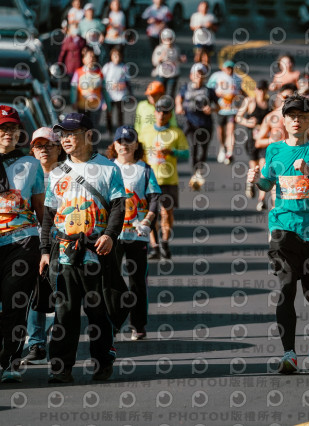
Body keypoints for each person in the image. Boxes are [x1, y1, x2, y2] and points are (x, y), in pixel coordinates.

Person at [246, 94, 309, 374]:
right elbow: (268, 183)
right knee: (286, 288)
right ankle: (289, 354)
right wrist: (257, 181)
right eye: (291, 116)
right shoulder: (274, 150)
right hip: (283, 228)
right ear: (284, 121)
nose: (296, 120)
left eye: (302, 116)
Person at [41, 113, 126, 383]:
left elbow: (118, 207)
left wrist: (110, 235)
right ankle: (60, 369)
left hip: (96, 252)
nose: (65, 139)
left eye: (71, 134)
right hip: (64, 252)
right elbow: (48, 215)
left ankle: (103, 362)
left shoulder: (108, 168)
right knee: (64, 312)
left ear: (88, 135)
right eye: (62, 135)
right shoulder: (56, 172)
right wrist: (45, 251)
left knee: (98, 311)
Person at [0, 106, 45, 382]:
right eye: (3, 128)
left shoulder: (31, 165)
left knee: (15, 304)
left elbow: (41, 210)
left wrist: (47, 248)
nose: (8, 133)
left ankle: (10, 363)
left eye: (13, 128)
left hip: (23, 241)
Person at [106, 126, 160, 341]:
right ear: (114, 144)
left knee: (137, 281)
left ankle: (138, 325)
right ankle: (112, 322)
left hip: (137, 234)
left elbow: (154, 198)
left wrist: (147, 221)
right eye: (120, 141)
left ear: (137, 144)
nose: (124, 145)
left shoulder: (144, 169)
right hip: (113, 235)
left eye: (129, 141)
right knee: (111, 279)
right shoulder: (107, 168)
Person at [21, 128, 66, 366]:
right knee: (34, 294)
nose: (44, 150)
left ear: (59, 148)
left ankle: (61, 344)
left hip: (64, 243)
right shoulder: (24, 175)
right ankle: (37, 344)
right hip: (33, 242)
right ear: (32, 150)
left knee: (63, 294)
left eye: (49, 145)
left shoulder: (69, 173)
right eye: (39, 146)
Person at [137, 97, 189, 260]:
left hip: (169, 180)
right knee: (151, 214)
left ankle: (165, 241)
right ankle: (155, 246)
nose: (161, 114)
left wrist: (172, 152)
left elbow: (186, 153)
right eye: (159, 111)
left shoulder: (176, 133)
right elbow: (137, 152)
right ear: (155, 112)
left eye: (165, 112)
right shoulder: (145, 132)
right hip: (149, 180)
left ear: (170, 115)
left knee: (167, 213)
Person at [253, 83, 296, 211]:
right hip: (277, 158)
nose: (288, 99)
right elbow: (258, 142)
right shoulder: (271, 117)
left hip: (294, 159)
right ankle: (275, 219)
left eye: (291, 97)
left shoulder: (299, 119)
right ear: (279, 96)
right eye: (285, 96)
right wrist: (272, 140)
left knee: (293, 194)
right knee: (276, 191)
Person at [175, 63, 218, 191]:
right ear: (191, 76)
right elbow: (179, 98)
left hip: (205, 125)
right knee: (193, 149)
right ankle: (195, 174)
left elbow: (219, 105)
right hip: (190, 123)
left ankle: (199, 170)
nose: (199, 78)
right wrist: (179, 106)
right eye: (196, 75)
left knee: (203, 151)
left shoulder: (208, 91)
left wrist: (211, 109)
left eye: (201, 75)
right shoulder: (185, 88)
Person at [235, 79, 270, 200]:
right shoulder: (249, 101)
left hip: (264, 140)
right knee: (253, 165)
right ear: (255, 90)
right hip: (252, 139)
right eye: (259, 89)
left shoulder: (269, 104)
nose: (261, 92)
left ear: (266, 90)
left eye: (263, 89)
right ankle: (250, 183)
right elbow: (238, 117)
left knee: (263, 165)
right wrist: (248, 122)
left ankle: (262, 198)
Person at [206, 60, 245, 165]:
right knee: (221, 131)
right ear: (223, 68)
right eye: (227, 68)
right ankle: (223, 147)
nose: (229, 70)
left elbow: (240, 91)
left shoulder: (238, 78)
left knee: (231, 130)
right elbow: (208, 89)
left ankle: (229, 153)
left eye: (231, 68)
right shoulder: (216, 76)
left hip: (232, 109)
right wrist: (216, 95)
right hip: (220, 108)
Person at [71, 47, 107, 131]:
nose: (91, 59)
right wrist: (73, 101)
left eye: (93, 57)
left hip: (96, 106)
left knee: (93, 128)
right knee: (83, 128)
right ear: (83, 60)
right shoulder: (78, 72)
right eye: (89, 57)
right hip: (82, 105)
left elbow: (104, 89)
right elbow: (73, 88)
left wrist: (105, 102)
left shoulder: (100, 73)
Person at [103, 46, 131, 137]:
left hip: (120, 95)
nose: (117, 58)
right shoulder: (107, 67)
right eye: (114, 56)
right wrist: (111, 86)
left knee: (120, 114)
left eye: (118, 56)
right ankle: (109, 130)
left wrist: (129, 92)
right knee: (109, 113)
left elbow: (127, 81)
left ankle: (120, 131)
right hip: (109, 95)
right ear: (111, 56)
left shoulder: (124, 67)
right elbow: (102, 81)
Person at [151, 28, 186, 98]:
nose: (168, 41)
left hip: (173, 75)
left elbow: (178, 59)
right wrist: (161, 57)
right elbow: (154, 62)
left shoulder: (176, 49)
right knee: (160, 93)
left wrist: (181, 59)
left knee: (170, 94)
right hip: (161, 75)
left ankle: (170, 104)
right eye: (166, 39)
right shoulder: (159, 49)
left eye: (170, 39)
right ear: (162, 39)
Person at [190, 1, 218, 66]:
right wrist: (198, 27)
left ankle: (206, 70)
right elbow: (191, 27)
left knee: (206, 58)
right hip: (198, 40)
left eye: (205, 7)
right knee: (198, 56)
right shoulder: (195, 16)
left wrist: (211, 26)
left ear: (208, 8)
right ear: (199, 7)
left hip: (209, 41)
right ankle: (197, 68)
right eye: (202, 7)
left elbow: (216, 29)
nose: (204, 9)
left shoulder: (211, 17)